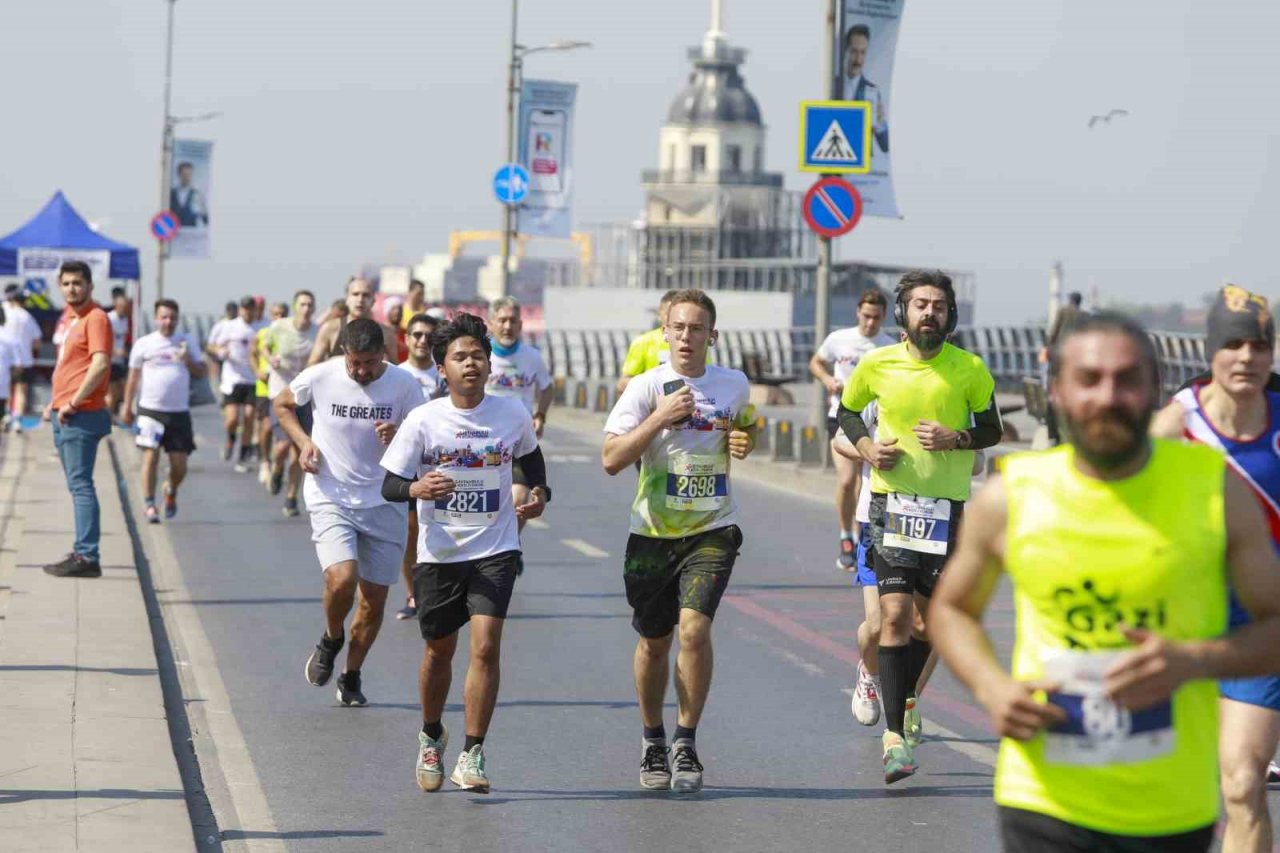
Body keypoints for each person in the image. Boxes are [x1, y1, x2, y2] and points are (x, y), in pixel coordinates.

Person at [930, 312, 1280, 853]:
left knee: (1240, 780)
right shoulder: (1012, 496)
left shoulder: (1216, 492)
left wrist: (1192, 661)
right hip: (1044, 800)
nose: (1108, 397)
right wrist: (990, 686)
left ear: (1155, 391)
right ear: (1056, 392)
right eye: (1089, 379)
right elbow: (951, 610)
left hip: (1171, 809)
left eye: (1127, 380)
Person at [837, 270, 1002, 783]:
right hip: (890, 506)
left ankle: (906, 697)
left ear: (950, 316)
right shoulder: (877, 364)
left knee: (929, 627)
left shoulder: (970, 369)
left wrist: (957, 438)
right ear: (903, 312)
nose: (929, 312)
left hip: (945, 512)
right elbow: (846, 414)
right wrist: (868, 447)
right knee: (893, 617)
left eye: (938, 306)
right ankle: (894, 740)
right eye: (920, 304)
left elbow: (993, 429)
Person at [381, 312, 549, 794]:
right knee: (439, 651)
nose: (471, 363)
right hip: (440, 553)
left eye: (478, 355)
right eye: (460, 357)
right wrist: (417, 488)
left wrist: (540, 493)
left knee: (486, 646)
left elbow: (531, 460)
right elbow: (390, 483)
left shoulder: (512, 414)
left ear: (490, 364)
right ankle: (431, 734)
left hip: (496, 548)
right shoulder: (423, 420)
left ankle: (472, 753)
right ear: (443, 369)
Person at [602, 289, 759, 794]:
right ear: (664, 332)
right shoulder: (646, 387)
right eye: (679, 328)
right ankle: (653, 739)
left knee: (693, 631)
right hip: (652, 534)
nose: (687, 337)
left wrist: (745, 440)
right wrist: (658, 418)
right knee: (655, 642)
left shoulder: (733, 384)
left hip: (712, 528)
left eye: (697, 329)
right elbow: (611, 459)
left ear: (712, 336)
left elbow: (746, 426)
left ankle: (686, 741)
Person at [1151, 285, 1280, 853]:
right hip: (1186, 623)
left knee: (1244, 781)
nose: (1246, 357)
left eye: (1259, 346)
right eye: (1233, 344)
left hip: (1262, 625)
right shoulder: (1176, 426)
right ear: (1211, 351)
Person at [275, 318, 424, 707]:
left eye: (370, 363)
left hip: (385, 501)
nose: (361, 371)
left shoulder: (405, 385)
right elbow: (282, 404)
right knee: (342, 579)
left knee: (373, 600)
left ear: (383, 355)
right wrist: (303, 442)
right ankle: (331, 637)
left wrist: (400, 434)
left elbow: (426, 434)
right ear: (344, 353)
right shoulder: (321, 376)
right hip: (332, 495)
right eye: (355, 363)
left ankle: (351, 674)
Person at [809, 289, 894, 571]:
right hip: (841, 416)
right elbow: (816, 362)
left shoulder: (889, 347)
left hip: (873, 422)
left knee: (864, 482)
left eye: (876, 318)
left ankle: (861, 537)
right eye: (866, 316)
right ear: (858, 312)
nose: (870, 323)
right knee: (847, 480)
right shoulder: (839, 339)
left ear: (884, 317)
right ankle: (846, 535)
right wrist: (827, 380)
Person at [42, 262, 113, 579]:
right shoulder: (72, 319)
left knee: (81, 485)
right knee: (77, 484)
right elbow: (69, 366)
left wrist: (72, 402)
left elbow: (100, 364)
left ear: (90, 286)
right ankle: (83, 551)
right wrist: (55, 401)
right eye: (67, 283)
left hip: (80, 414)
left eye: (78, 283)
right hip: (66, 410)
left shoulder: (95, 318)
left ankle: (87, 555)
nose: (72, 289)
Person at [121, 299, 203, 523]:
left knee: (180, 466)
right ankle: (149, 504)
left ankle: (170, 489)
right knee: (151, 455)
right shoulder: (144, 344)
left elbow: (201, 372)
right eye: (164, 317)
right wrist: (127, 406)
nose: (168, 322)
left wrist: (187, 360)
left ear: (177, 319)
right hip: (150, 410)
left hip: (178, 412)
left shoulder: (187, 341)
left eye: (172, 318)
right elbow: (133, 378)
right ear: (156, 318)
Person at [486, 297, 553, 541]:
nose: (507, 326)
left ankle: (509, 546)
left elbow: (547, 387)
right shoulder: (481, 354)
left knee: (520, 499)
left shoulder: (531, 356)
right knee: (487, 502)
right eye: (502, 320)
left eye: (513, 321)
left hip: (518, 437)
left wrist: (540, 415)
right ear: (491, 323)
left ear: (521, 325)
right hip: (486, 438)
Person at [394, 312, 444, 621]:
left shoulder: (446, 374)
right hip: (409, 465)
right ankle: (413, 594)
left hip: (445, 464)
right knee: (411, 530)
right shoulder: (395, 376)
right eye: (417, 335)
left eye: (429, 336)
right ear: (407, 339)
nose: (423, 341)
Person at [264, 290, 319, 515]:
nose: (306, 308)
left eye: (310, 305)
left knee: (300, 448)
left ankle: (291, 497)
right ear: (295, 306)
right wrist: (271, 359)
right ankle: (277, 469)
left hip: (305, 395)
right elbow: (264, 347)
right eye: (302, 304)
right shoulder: (279, 327)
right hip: (280, 392)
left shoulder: (317, 331)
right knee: (282, 446)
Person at [205, 296, 259, 471]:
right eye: (244, 308)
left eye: (250, 309)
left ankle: (242, 456)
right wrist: (220, 351)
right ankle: (230, 437)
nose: (247, 312)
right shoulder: (228, 326)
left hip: (253, 379)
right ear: (240, 310)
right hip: (232, 379)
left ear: (255, 310)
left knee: (249, 417)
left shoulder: (261, 327)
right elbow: (211, 346)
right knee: (232, 419)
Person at [308, 277, 397, 366]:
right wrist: (335, 362)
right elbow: (311, 366)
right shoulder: (330, 328)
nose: (360, 300)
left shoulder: (385, 333)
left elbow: (395, 368)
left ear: (373, 300)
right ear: (347, 299)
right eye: (355, 294)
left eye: (365, 295)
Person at [251, 302, 289, 487]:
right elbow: (252, 354)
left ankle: (278, 464)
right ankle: (264, 461)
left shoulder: (292, 335)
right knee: (266, 427)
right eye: (275, 314)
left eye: (282, 314)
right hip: (265, 388)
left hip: (285, 389)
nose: (279, 318)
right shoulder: (262, 333)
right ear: (270, 316)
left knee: (284, 435)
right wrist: (257, 371)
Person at [617, 290, 677, 395]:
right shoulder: (643, 342)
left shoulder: (696, 342)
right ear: (660, 315)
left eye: (676, 314)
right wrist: (653, 390)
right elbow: (622, 384)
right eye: (668, 314)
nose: (672, 318)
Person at [1, 282, 43, 432]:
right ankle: (17, 420)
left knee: (5, 389)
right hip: (23, 360)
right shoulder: (27, 317)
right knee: (21, 390)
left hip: (5, 360)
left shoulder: (5, 311)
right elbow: (37, 342)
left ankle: (6, 415)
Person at [843, 24, 889, 153]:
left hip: (861, 162)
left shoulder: (872, 91)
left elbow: (885, 145)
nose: (858, 59)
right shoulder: (831, 84)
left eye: (863, 53)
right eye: (854, 51)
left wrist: (880, 124)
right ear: (845, 51)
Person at [105, 286, 132, 419]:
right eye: (123, 307)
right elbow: (103, 341)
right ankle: (106, 418)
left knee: (121, 390)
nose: (126, 310)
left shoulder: (125, 320)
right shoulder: (109, 319)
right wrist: (115, 351)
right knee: (111, 393)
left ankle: (113, 415)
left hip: (119, 361)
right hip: (109, 360)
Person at [169, 161, 208, 227]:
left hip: (190, 231)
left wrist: (203, 207)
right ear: (179, 174)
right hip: (173, 230)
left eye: (189, 174)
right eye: (184, 174)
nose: (187, 178)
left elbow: (206, 220)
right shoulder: (171, 193)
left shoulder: (197, 194)